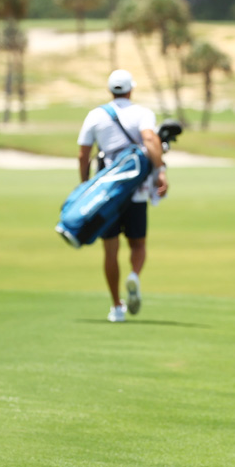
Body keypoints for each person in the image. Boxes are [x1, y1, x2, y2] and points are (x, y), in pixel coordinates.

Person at [76, 70, 167, 323]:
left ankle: (116, 306)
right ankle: (135, 275)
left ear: (110, 90)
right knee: (138, 244)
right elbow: (150, 139)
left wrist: (85, 188)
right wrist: (160, 172)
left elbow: (83, 155)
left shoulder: (95, 115)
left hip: (107, 195)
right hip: (136, 191)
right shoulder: (142, 113)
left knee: (110, 250)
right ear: (131, 89)